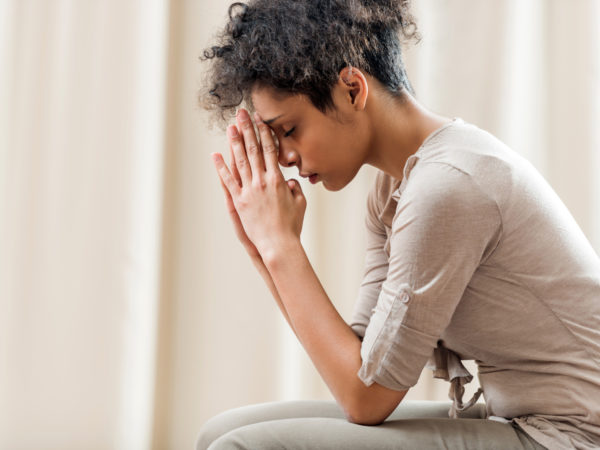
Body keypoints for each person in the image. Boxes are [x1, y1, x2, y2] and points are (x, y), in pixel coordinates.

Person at [197, 1, 600, 449]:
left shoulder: (446, 188)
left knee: (242, 447)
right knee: (221, 431)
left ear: (352, 89)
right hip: (522, 419)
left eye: (288, 130)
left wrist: (280, 247)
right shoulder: (396, 189)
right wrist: (265, 248)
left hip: (572, 437)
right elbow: (360, 364)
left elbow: (366, 399)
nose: (285, 157)